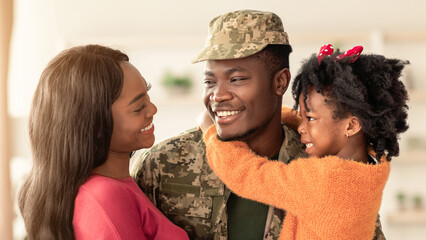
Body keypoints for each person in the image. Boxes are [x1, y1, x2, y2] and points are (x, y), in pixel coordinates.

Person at [131, 10, 386, 240]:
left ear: (280, 82)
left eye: (237, 79)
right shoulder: (161, 164)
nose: (218, 95)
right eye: (210, 82)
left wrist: (211, 133)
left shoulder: (328, 164)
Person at [203, 45, 409, 239]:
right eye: (302, 118)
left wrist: (211, 131)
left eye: (309, 118)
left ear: (351, 126)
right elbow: (316, 123)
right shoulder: (370, 166)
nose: (301, 127)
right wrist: (280, 117)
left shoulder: (324, 182)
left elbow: (248, 175)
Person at [18, 44, 189, 239]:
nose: (152, 110)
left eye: (147, 95)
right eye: (138, 107)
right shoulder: (106, 195)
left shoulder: (116, 186)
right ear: (95, 124)